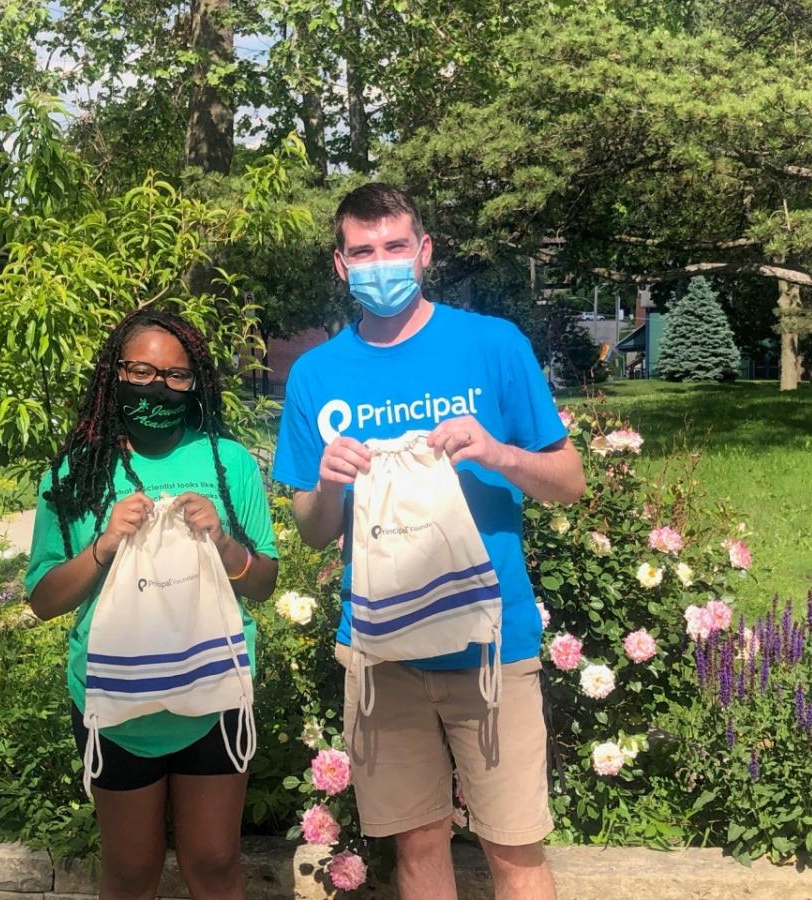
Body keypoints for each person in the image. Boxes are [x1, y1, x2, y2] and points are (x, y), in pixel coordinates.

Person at [273, 183, 585, 900]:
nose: (380, 263)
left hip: (491, 645)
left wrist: (499, 453)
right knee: (416, 850)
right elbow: (315, 531)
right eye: (362, 250)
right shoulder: (317, 376)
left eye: (394, 246)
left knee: (515, 852)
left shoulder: (492, 345)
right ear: (340, 265)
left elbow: (569, 480)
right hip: (383, 651)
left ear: (424, 252)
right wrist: (326, 484)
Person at [25, 307, 279, 900]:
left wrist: (221, 541)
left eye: (176, 375)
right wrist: (104, 545)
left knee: (216, 862)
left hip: (215, 690)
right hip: (115, 699)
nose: (157, 386)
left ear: (197, 384)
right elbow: (43, 599)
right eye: (140, 370)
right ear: (113, 374)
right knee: (132, 870)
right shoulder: (76, 471)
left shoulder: (229, 462)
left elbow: (262, 582)